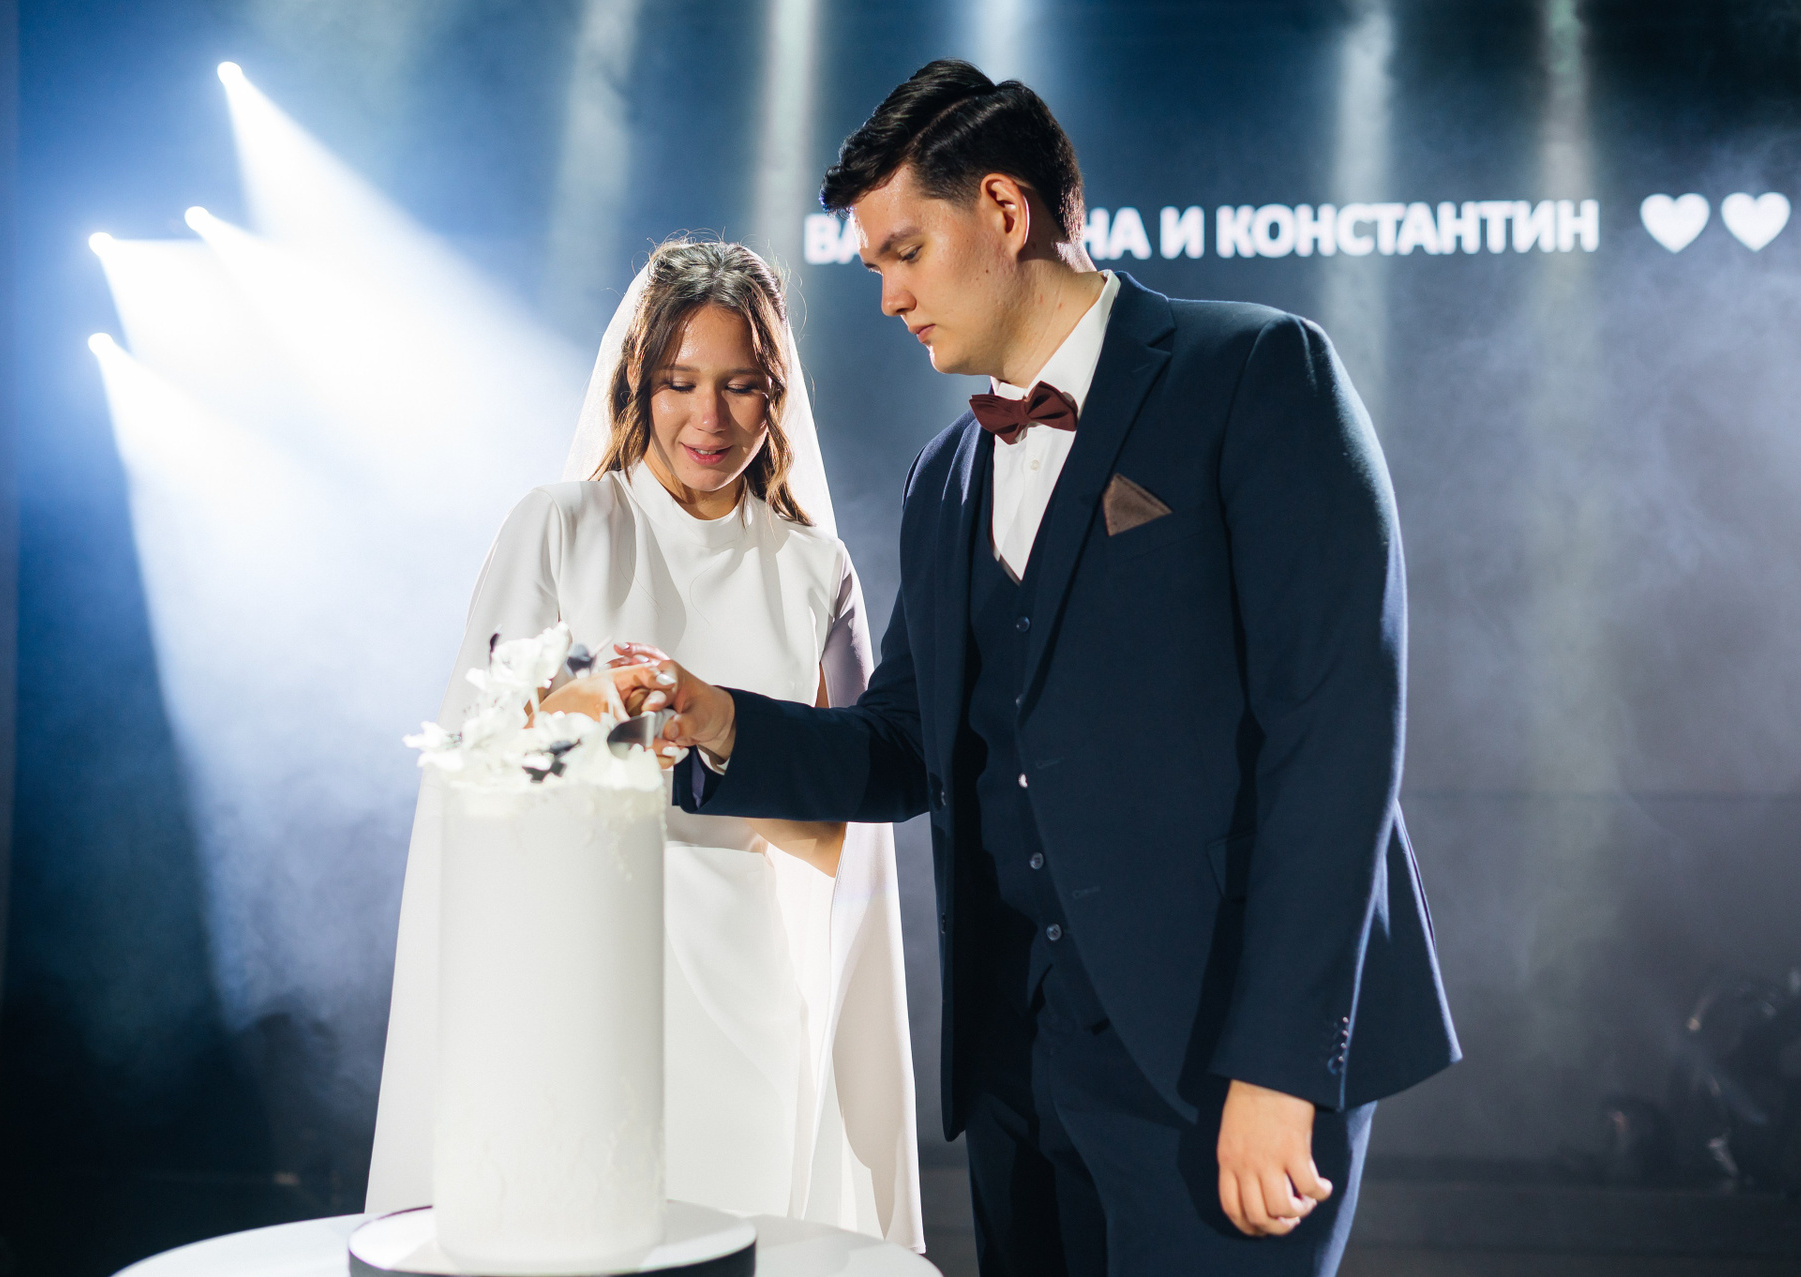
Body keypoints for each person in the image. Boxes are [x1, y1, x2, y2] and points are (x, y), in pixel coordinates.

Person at [621, 62, 1460, 1276]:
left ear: (1006, 211)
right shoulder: (944, 479)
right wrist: (715, 720)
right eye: (875, 267)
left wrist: (1283, 1066)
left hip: (1223, 1062)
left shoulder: (1256, 372)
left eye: (906, 252)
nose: (889, 296)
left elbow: (1335, 741)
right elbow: (902, 744)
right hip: (1021, 1075)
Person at [366, 238, 923, 1250]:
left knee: (735, 1240)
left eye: (741, 385)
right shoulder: (560, 527)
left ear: (777, 394)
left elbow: (843, 829)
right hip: (571, 963)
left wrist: (717, 733)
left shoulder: (815, 568)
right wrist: (597, 709)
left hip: (745, 984)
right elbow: (470, 766)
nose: (710, 418)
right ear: (638, 382)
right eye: (680, 382)